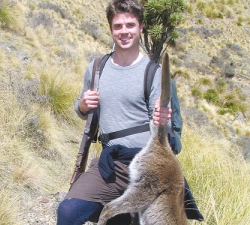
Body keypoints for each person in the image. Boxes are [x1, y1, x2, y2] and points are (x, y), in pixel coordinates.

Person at [57, 0, 174, 224]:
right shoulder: (97, 68)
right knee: (68, 211)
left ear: (140, 28)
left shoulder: (153, 72)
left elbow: (162, 128)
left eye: (130, 25)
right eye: (118, 26)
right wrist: (82, 105)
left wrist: (162, 120)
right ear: (111, 29)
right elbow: (82, 109)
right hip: (109, 164)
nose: (124, 31)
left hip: (146, 167)